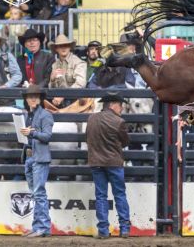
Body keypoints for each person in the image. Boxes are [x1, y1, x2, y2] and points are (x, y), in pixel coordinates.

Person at [86, 93, 131, 239]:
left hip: (96, 163)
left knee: (101, 196)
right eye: (120, 105)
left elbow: (87, 138)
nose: (121, 108)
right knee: (119, 194)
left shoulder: (91, 118)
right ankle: (124, 228)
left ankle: (103, 230)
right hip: (114, 163)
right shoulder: (119, 122)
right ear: (113, 104)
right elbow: (125, 142)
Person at [20, 84, 54, 238]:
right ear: (26, 100)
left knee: (39, 193)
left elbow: (47, 136)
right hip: (30, 157)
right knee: (36, 194)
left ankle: (43, 227)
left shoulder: (45, 115)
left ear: (40, 99)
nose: (33, 99)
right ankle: (38, 227)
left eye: (35, 96)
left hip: (39, 158)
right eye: (30, 96)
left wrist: (32, 133)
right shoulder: (29, 115)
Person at [48, 34, 87, 107]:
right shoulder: (55, 65)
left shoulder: (79, 63)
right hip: (60, 104)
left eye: (66, 45)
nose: (63, 48)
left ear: (69, 47)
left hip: (76, 104)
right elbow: (51, 89)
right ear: (56, 49)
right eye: (60, 46)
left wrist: (63, 95)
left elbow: (80, 84)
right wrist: (52, 79)